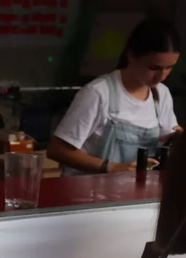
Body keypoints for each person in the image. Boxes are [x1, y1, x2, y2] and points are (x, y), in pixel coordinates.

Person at [49, 17, 181, 175]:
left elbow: (166, 137)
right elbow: (58, 150)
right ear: (131, 55)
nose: (162, 76)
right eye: (154, 68)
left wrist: (178, 138)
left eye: (169, 68)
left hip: (135, 189)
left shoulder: (161, 94)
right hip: (90, 188)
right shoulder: (98, 93)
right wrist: (111, 167)